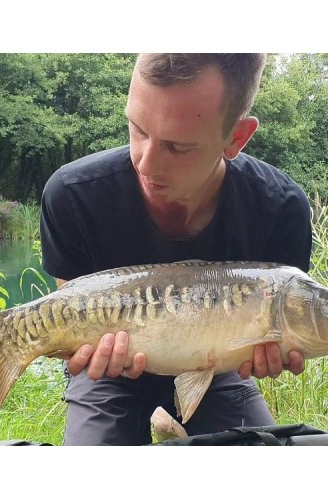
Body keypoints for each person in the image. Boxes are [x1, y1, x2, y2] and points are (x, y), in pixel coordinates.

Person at [40, 53, 312, 445]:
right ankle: (166, 423)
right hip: (109, 374)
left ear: (236, 138)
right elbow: (72, 310)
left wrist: (270, 351)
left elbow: (279, 331)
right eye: (137, 130)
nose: (145, 164)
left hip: (217, 369)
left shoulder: (281, 208)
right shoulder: (72, 195)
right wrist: (81, 349)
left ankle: (174, 422)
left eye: (178, 147)